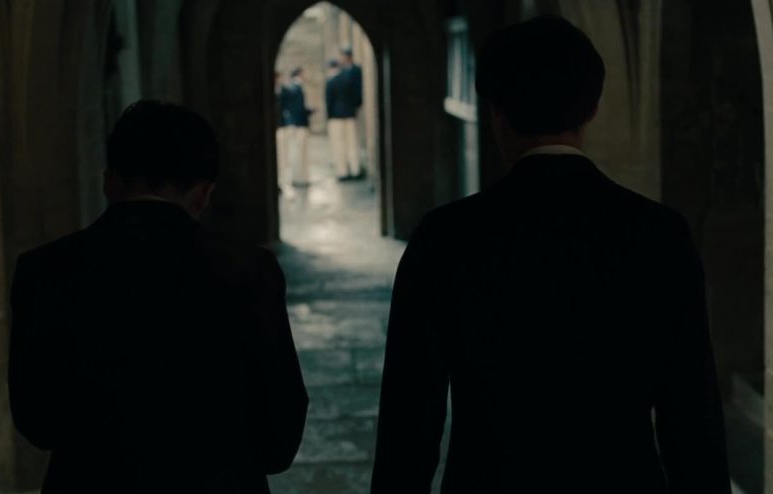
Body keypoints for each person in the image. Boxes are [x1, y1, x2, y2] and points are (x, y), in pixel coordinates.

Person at [371, 16, 730, 494]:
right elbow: (692, 418)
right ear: (593, 108)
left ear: (496, 113)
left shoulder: (446, 237)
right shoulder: (660, 234)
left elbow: (409, 423)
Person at [9, 100, 308, 494]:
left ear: (109, 181)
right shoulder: (249, 271)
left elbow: (37, 421)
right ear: (202, 195)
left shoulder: (45, 270)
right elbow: (279, 435)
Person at [329, 47, 363, 180]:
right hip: (347, 113)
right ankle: (352, 170)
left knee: (343, 143)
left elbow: (329, 100)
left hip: (340, 115)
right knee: (349, 143)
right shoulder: (346, 76)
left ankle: (346, 171)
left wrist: (330, 116)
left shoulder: (334, 80)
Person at [280, 67, 313, 187]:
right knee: (299, 152)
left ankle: (301, 177)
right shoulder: (295, 88)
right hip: (298, 124)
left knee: (300, 152)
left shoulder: (295, 88)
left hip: (298, 123)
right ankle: (299, 178)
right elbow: (296, 108)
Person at [275, 70, 293, 197]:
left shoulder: (282, 91)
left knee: (283, 157)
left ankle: (282, 182)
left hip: (281, 127)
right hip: (276, 127)